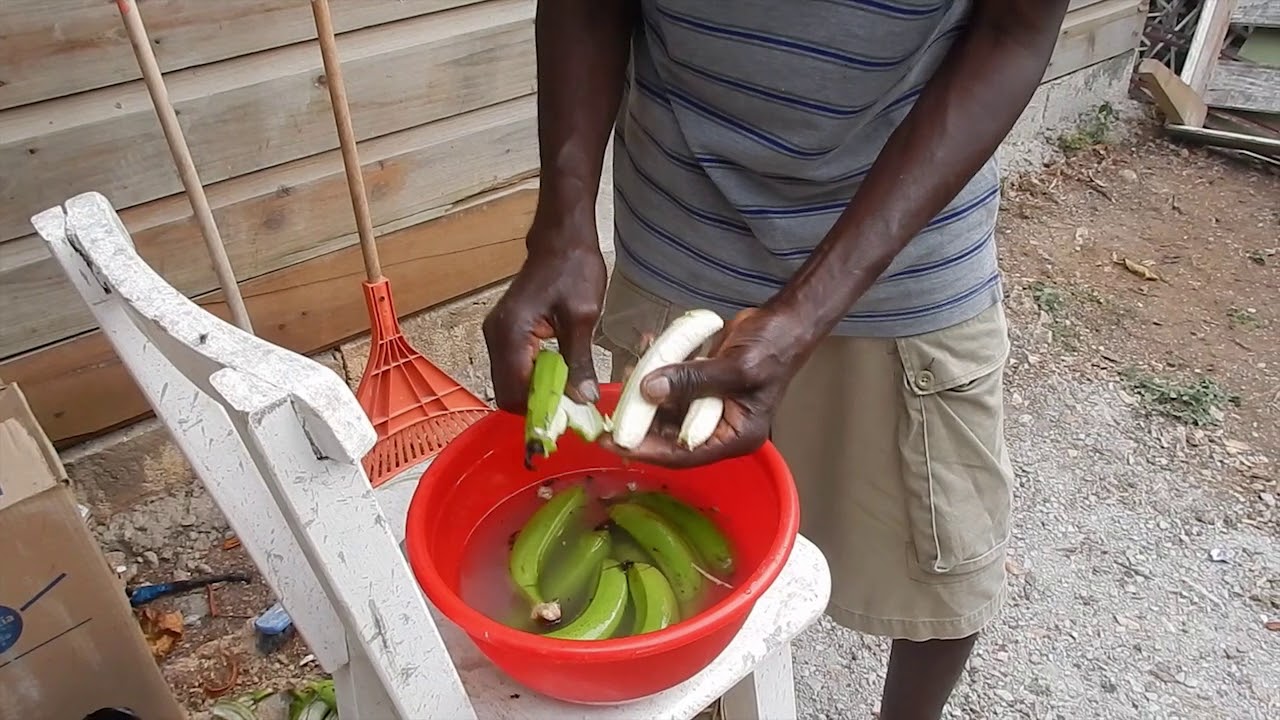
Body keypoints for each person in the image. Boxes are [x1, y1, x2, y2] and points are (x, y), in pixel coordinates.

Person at [483, 1, 1070, 717]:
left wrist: (809, 310)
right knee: (665, 527)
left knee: (940, 572)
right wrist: (563, 222)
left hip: (905, 253)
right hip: (682, 232)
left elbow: (1013, 31)